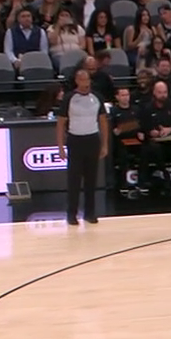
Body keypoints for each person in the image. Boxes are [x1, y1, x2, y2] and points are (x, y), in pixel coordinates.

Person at [55, 68, 109, 226]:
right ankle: (71, 214)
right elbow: (60, 123)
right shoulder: (69, 98)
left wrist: (104, 144)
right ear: (77, 81)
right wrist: (60, 146)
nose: (86, 83)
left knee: (91, 179)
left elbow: (103, 121)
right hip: (75, 140)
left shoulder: (97, 97)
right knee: (74, 179)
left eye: (88, 80)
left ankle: (90, 213)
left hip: (92, 139)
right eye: (83, 80)